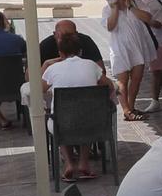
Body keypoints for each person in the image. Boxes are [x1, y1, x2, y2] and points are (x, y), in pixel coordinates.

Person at [39, 30, 116, 180]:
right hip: (94, 124)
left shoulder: (52, 69)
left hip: (62, 125)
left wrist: (47, 64)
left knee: (59, 118)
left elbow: (38, 89)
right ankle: (84, 162)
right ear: (80, 51)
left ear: (60, 52)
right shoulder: (91, 65)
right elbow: (110, 86)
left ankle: (69, 163)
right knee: (86, 116)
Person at [101, 0, 155, 121]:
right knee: (122, 80)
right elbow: (110, 27)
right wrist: (114, 9)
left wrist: (130, 6)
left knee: (136, 79)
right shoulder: (107, 10)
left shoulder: (137, 3)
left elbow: (148, 18)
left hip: (138, 47)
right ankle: (126, 110)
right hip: (119, 48)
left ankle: (131, 107)